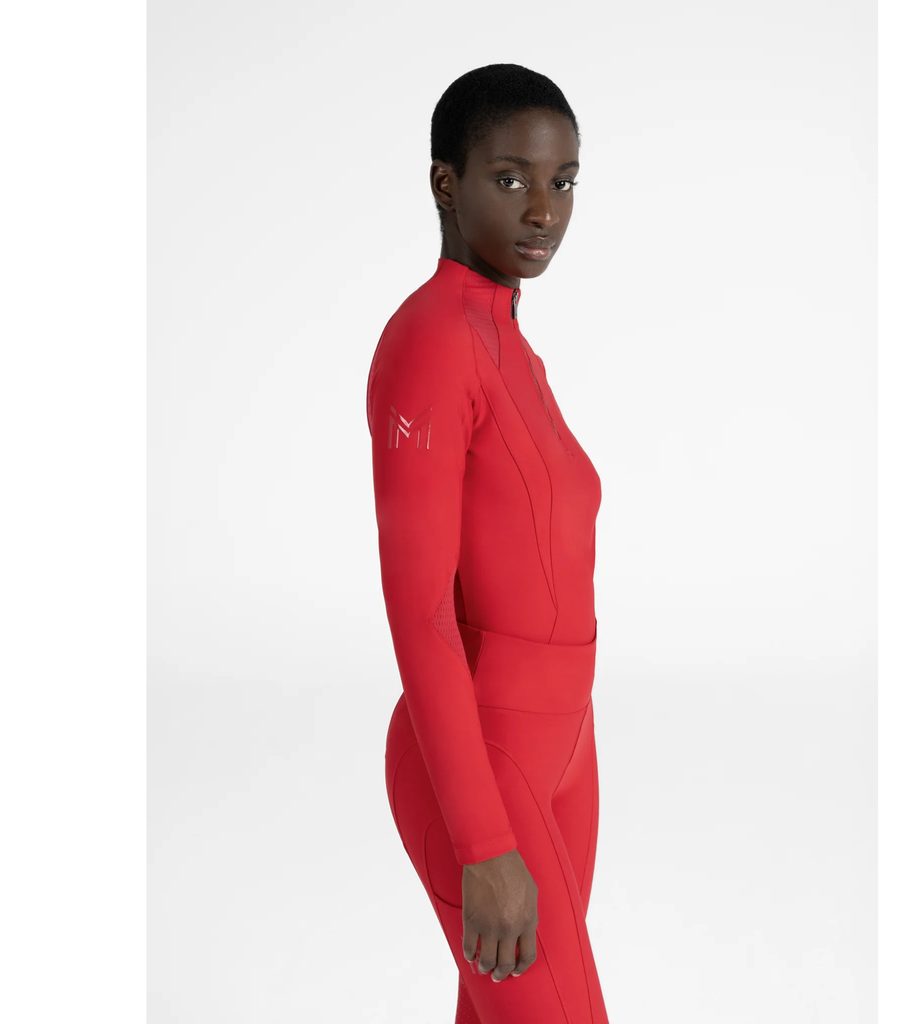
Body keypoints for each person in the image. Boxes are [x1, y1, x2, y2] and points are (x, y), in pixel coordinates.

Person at [366, 63, 609, 1023]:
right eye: (510, 179)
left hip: (566, 747)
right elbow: (420, 611)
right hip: (481, 763)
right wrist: (482, 842)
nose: (543, 210)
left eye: (563, 182)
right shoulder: (432, 342)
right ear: (446, 183)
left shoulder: (508, 342)